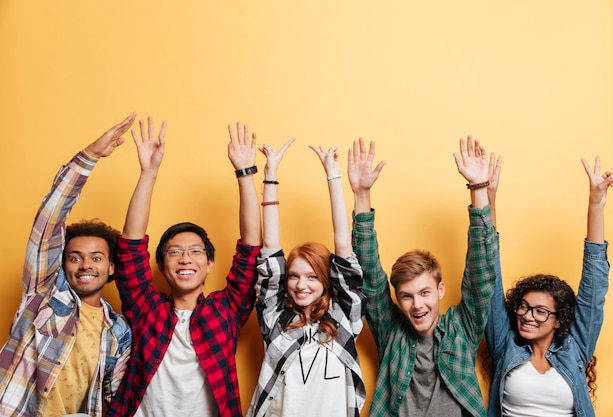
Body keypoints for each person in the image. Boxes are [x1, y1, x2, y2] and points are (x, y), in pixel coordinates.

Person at [106, 120, 262, 417]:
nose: (185, 259)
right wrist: (148, 172)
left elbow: (251, 252)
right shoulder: (145, 309)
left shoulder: (225, 310)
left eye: (195, 252)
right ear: (162, 268)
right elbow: (130, 248)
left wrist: (245, 174)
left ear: (209, 264)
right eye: (174, 253)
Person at [350, 136, 500, 417]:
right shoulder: (391, 330)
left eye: (424, 293)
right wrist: (361, 196)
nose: (417, 305)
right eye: (406, 296)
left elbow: (481, 273)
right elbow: (368, 273)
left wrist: (479, 189)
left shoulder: (462, 329)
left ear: (440, 289)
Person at [0, 115, 135, 417]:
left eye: (96, 258)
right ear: (63, 264)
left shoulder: (119, 332)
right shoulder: (45, 294)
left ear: (112, 267)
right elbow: (49, 221)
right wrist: (89, 158)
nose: (86, 264)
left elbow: (112, 400)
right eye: (75, 257)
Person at [485, 156, 613, 417]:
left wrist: (596, 205)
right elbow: (490, 277)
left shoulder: (575, 349)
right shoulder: (505, 344)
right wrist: (488, 198)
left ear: (559, 320)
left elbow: (594, 288)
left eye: (540, 311)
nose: (527, 315)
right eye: (523, 307)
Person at [246, 139, 366, 417]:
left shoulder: (344, 319)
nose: (301, 285)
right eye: (294, 276)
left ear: (326, 279)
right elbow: (271, 249)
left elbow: (344, 249)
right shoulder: (276, 321)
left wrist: (333, 175)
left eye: (313, 276)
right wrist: (270, 175)